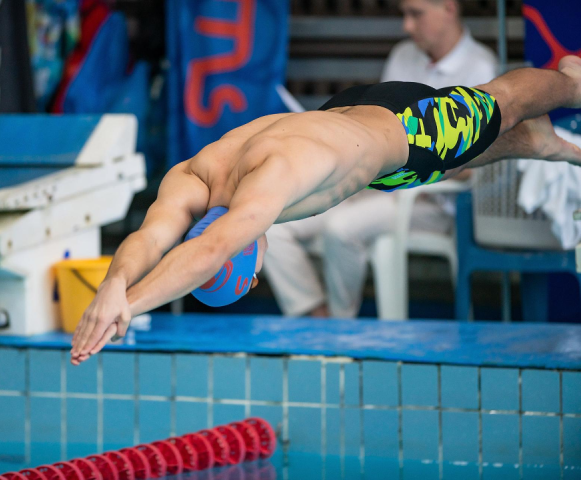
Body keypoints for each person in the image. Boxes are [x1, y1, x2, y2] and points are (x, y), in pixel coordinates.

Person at [70, 55, 581, 365]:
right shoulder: (194, 175)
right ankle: (530, 142)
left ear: (248, 252)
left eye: (252, 274)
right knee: (428, 165)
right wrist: (114, 285)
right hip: (351, 123)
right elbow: (150, 238)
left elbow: (209, 249)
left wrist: (130, 308)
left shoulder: (263, 193)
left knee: (501, 101)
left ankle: (570, 82)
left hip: (406, 123)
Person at [263, 0, 498, 319]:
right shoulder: (402, 57)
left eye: (416, 14)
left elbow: (477, 163)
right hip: (372, 184)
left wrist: (405, 168)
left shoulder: (481, 68)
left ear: (449, 8)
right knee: (274, 224)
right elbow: (374, 126)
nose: (407, 26)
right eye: (404, 15)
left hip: (431, 203)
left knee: (341, 228)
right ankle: (314, 318)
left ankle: (340, 328)